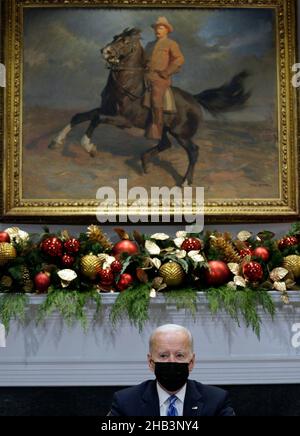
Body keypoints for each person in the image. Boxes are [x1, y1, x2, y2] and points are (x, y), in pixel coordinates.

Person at [108, 324, 235, 416]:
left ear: (191, 362)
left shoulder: (216, 400)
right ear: (150, 362)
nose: (171, 362)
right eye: (163, 356)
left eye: (179, 355)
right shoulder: (126, 401)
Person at [143, 17, 185, 140]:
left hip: (160, 79)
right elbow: (144, 60)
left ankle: (157, 129)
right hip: (146, 75)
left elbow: (179, 59)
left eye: (160, 28)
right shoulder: (149, 45)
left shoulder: (171, 43)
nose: (157, 30)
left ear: (167, 30)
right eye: (156, 28)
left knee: (156, 100)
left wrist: (167, 72)